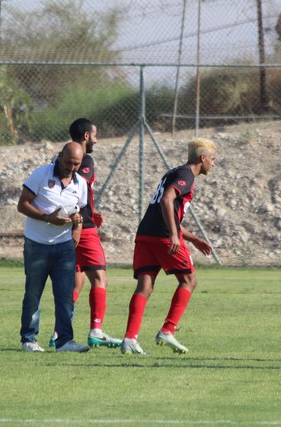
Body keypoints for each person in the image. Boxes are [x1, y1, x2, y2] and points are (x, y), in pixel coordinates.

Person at [120, 138, 216, 355]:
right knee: (189, 280)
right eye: (212, 159)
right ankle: (167, 329)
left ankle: (129, 339)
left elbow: (167, 210)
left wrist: (191, 238)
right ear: (202, 158)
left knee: (145, 285)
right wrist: (174, 235)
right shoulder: (186, 175)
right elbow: (166, 201)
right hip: (163, 237)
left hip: (145, 234)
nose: (213, 163)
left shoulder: (174, 172)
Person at [48, 118, 122, 349]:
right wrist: (83, 214)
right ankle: (96, 331)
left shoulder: (59, 157)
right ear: (87, 136)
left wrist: (90, 208)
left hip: (65, 225)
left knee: (75, 282)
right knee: (99, 277)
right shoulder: (84, 159)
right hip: (83, 226)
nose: (97, 140)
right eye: (95, 135)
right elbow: (78, 184)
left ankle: (57, 334)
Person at [18, 142, 90, 353]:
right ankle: (29, 340)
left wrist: (77, 224)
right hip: (36, 245)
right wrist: (47, 218)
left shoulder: (81, 184)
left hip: (64, 246)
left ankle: (64, 342)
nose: (71, 167)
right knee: (33, 294)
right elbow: (22, 204)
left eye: (76, 164)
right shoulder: (41, 174)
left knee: (65, 295)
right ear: (59, 156)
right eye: (68, 162)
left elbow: (82, 211)